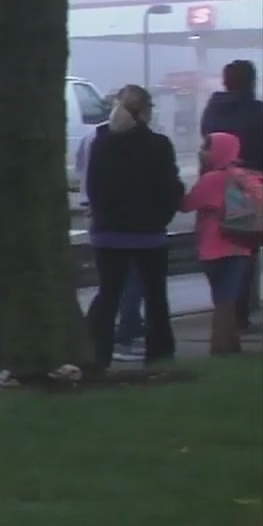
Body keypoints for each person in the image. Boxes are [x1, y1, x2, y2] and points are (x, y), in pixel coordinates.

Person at [85, 84, 185, 369]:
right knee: (155, 297)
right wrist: (160, 218)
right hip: (148, 235)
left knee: (108, 295)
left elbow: (93, 188)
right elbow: (170, 189)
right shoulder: (158, 145)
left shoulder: (100, 143)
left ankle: (96, 354)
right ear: (143, 112)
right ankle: (159, 354)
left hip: (108, 234)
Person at [200, 59, 263, 334]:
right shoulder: (256, 111)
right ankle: (239, 314)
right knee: (245, 249)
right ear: (251, 81)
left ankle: (225, 311)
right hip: (247, 186)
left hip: (214, 185)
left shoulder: (212, 110)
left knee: (219, 248)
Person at [76, 124, 147, 361]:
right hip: (123, 225)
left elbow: (82, 169)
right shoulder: (120, 146)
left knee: (116, 283)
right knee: (126, 282)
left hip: (104, 221)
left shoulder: (93, 138)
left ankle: (111, 332)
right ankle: (122, 335)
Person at [180, 133, 256, 354]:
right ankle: (231, 344)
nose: (202, 152)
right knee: (228, 298)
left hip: (214, 248)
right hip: (241, 246)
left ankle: (220, 346)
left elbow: (185, 205)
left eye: (207, 147)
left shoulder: (212, 179)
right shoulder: (245, 177)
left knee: (222, 300)